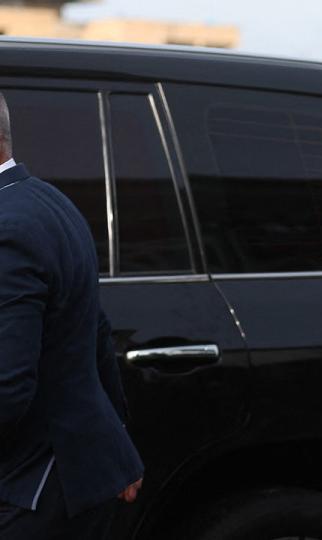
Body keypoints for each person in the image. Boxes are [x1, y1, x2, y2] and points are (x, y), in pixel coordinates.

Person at [0, 91, 144, 539]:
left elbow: (6, 388)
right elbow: (93, 329)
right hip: (80, 474)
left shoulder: (9, 227)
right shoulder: (47, 200)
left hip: (32, 488)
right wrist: (116, 444)